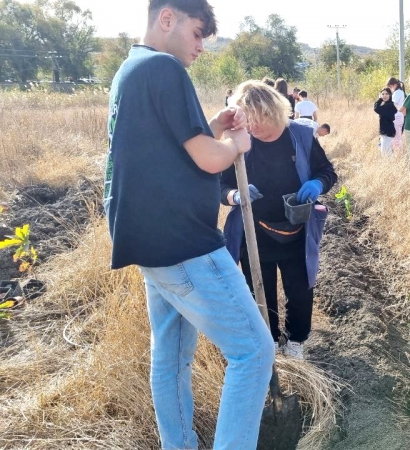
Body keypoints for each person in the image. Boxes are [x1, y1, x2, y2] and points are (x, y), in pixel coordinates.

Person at [103, 2, 273, 449]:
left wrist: (213, 125)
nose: (200, 46)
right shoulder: (164, 68)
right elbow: (207, 156)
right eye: (197, 33)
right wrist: (236, 143)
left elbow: (167, 146)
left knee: (172, 360)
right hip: (186, 246)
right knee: (255, 353)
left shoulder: (130, 70)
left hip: (150, 248)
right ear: (167, 18)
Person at [221, 80, 337, 361]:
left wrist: (317, 184)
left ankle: (295, 340)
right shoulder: (238, 143)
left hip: (296, 229)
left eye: (260, 121)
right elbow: (220, 186)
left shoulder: (301, 136)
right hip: (254, 234)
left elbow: (327, 172)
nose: (254, 128)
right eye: (248, 122)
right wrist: (236, 195)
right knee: (260, 292)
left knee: (300, 290)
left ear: (275, 112)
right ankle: (269, 340)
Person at [374, 87, 397, 157]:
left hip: (387, 133)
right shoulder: (389, 104)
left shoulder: (389, 105)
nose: (384, 96)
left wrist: (380, 99)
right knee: (388, 153)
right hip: (387, 133)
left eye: (386, 94)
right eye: (383, 94)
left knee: (386, 154)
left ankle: (390, 167)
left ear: (390, 95)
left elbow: (376, 108)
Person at [387, 77, 405, 152]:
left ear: (394, 85)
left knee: (396, 137)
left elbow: (392, 104)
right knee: (397, 136)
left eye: (390, 86)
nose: (390, 88)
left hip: (396, 117)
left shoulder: (397, 93)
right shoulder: (400, 92)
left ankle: (398, 153)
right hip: (398, 116)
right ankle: (398, 153)